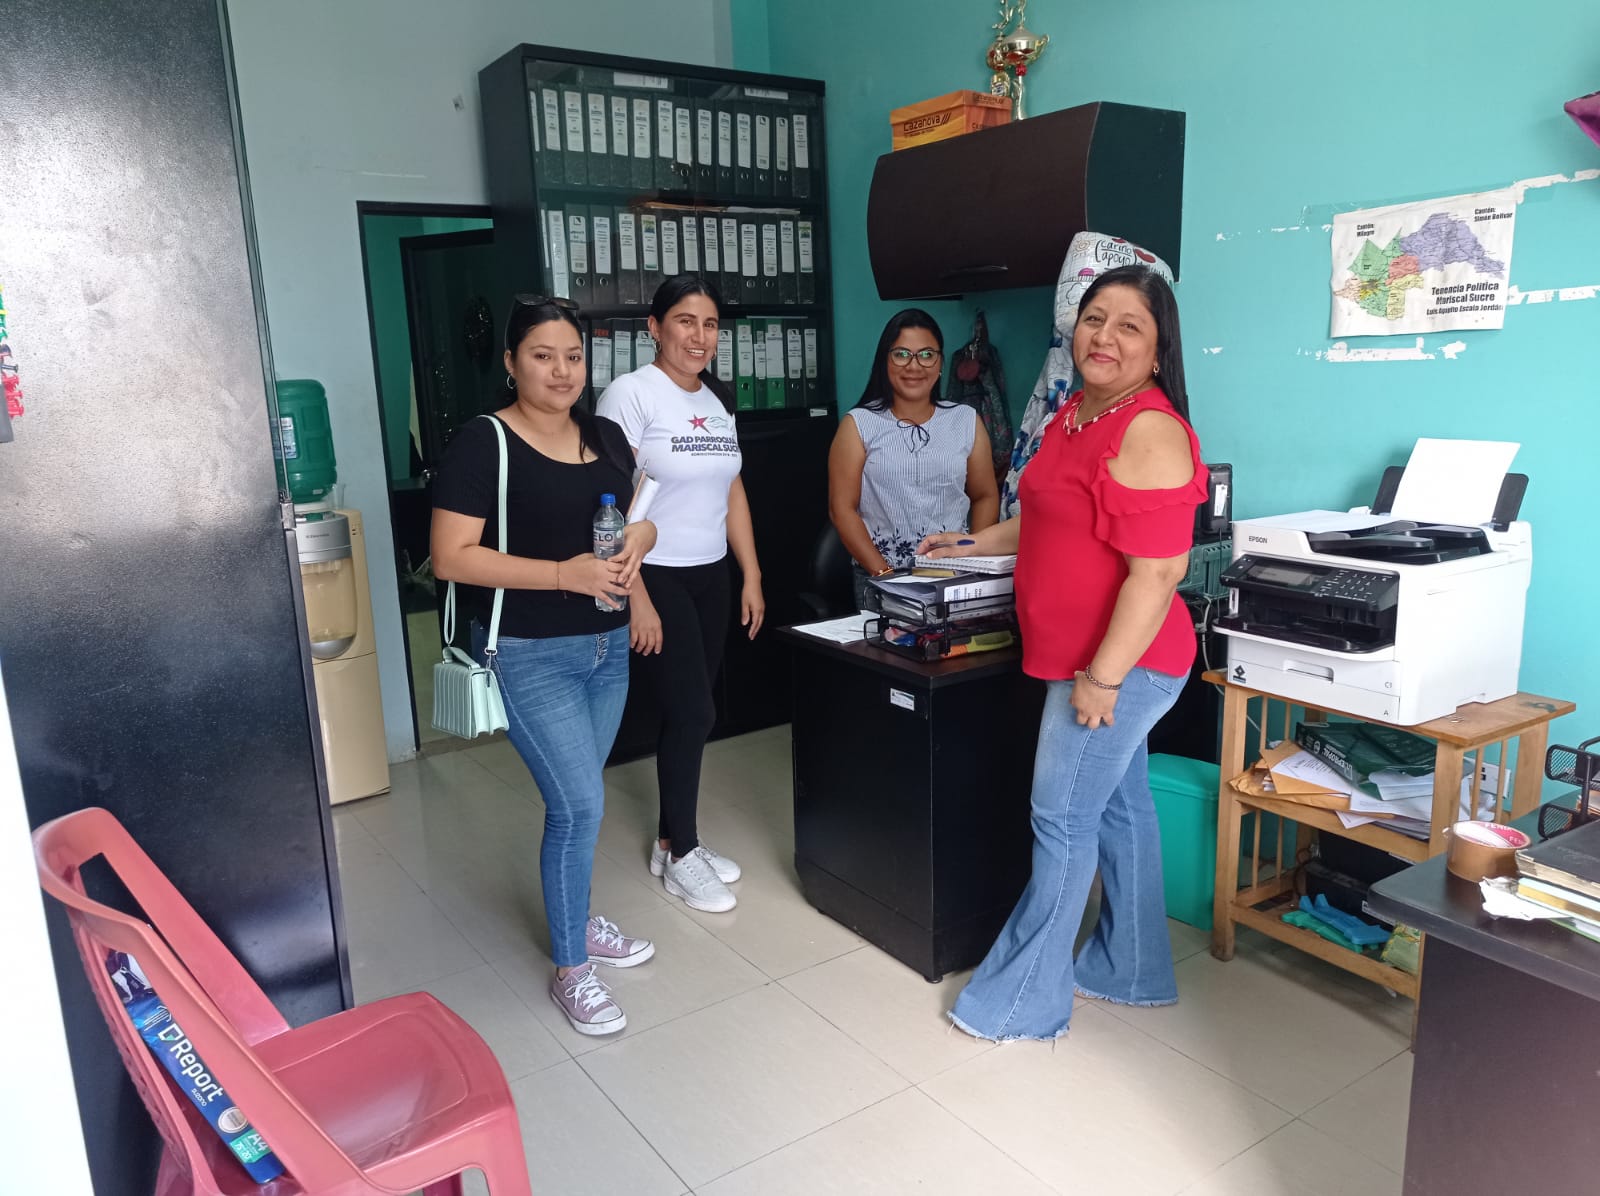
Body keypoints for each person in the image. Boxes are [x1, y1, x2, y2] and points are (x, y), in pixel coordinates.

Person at [920, 265, 1208, 1041]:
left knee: (1061, 820)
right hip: (1085, 659)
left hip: (1119, 666)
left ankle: (1022, 1004)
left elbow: (1159, 574)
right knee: (1118, 807)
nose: (1103, 336)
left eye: (1129, 325)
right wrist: (973, 542)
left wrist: (1103, 679)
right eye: (1093, 318)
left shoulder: (1149, 429)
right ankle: (1132, 969)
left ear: (1158, 350)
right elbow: (1049, 516)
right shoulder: (1076, 412)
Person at [431, 295, 658, 1037]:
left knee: (583, 798)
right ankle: (571, 970)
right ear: (511, 362)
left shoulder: (607, 435)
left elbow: (629, 526)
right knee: (579, 806)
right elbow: (451, 557)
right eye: (542, 356)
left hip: (607, 647)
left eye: (573, 357)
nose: (561, 371)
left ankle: (578, 919)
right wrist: (564, 575)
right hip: (530, 653)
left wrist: (643, 546)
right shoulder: (483, 442)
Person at [597, 276, 763, 914]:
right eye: (685, 321)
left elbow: (732, 490)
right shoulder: (631, 394)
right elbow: (608, 503)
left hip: (710, 572)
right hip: (656, 574)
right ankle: (683, 856)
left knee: (687, 711)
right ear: (655, 327)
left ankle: (671, 841)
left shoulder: (717, 401)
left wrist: (751, 574)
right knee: (694, 710)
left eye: (710, 324)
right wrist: (635, 596)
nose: (699, 336)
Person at [828, 309, 999, 608]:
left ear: (941, 363)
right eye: (902, 354)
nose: (914, 366)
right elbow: (841, 509)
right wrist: (885, 576)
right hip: (880, 577)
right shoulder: (859, 424)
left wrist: (972, 557)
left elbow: (984, 495)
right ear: (885, 361)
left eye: (927, 355)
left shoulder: (965, 420)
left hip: (954, 577)